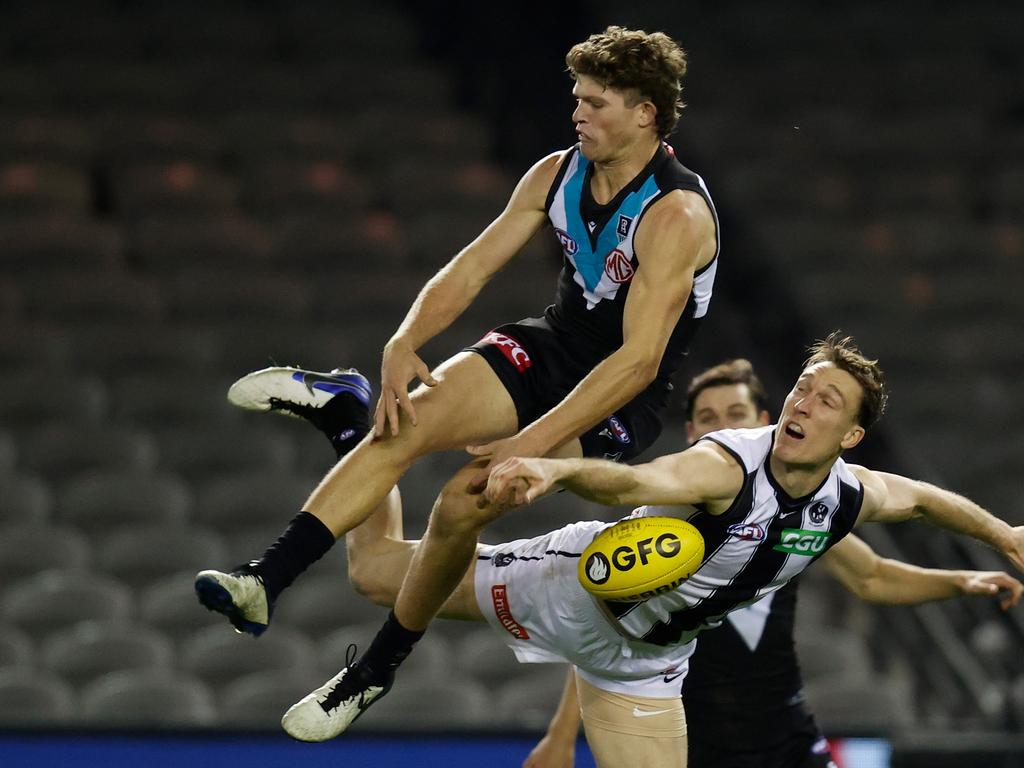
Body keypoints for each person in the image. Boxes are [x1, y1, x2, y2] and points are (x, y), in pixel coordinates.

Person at [196, 25, 720, 732]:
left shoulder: (676, 213)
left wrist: (531, 444)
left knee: (459, 505)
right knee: (404, 424)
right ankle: (262, 580)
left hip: (617, 398)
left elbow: (639, 361)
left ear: (645, 113)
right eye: (577, 100)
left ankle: (372, 673)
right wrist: (405, 338)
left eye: (595, 103)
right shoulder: (555, 172)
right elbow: (473, 267)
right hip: (549, 345)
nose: (578, 114)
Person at [524, 358, 1010, 768]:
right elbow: (607, 639)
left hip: (782, 735)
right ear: (691, 432)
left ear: (762, 420)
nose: (721, 426)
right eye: (707, 418)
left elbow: (873, 575)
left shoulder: (808, 517)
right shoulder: (662, 528)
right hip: (693, 733)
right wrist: (563, 733)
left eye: (734, 413)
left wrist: (965, 579)